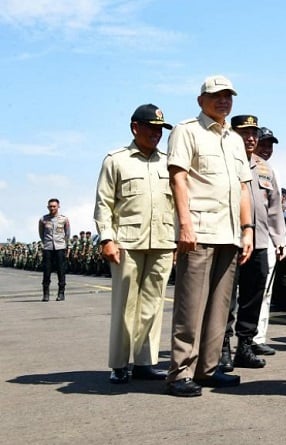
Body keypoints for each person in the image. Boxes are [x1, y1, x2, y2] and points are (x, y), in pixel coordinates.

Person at [165, 75, 254, 397]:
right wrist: (184, 224)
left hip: (229, 233)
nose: (223, 101)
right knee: (190, 307)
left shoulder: (233, 139)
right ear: (201, 100)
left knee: (219, 307)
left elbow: (243, 187)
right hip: (199, 230)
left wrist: (247, 230)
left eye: (228, 96)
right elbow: (178, 178)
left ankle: (207, 368)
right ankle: (179, 373)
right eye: (216, 96)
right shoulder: (186, 131)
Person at [94, 103, 176, 384]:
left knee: (153, 305)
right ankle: (119, 364)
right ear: (135, 127)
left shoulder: (168, 161)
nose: (156, 134)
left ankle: (145, 362)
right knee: (125, 305)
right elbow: (104, 203)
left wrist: (176, 242)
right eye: (151, 128)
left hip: (163, 242)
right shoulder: (115, 160)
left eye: (160, 130)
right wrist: (106, 238)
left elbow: (177, 204)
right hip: (126, 242)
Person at [219, 115, 286, 371]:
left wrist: (279, 239)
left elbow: (275, 207)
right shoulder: (225, 161)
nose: (250, 138)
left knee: (253, 294)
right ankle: (223, 345)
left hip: (259, 241)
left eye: (253, 134)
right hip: (230, 239)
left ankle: (244, 345)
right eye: (244, 133)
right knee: (226, 297)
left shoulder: (264, 168)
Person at [250, 126, 284, 356]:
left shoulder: (270, 171)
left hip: (267, 240)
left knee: (265, 291)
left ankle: (257, 337)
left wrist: (279, 240)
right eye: (263, 144)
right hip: (243, 239)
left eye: (270, 145)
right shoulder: (240, 165)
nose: (266, 149)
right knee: (240, 294)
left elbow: (275, 209)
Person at [38, 198, 70, 301]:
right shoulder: (43, 219)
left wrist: (64, 244)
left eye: (54, 206)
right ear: (48, 207)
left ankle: (61, 293)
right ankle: (46, 294)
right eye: (50, 206)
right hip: (48, 247)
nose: (52, 208)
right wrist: (46, 242)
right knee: (46, 271)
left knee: (61, 270)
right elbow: (41, 233)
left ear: (58, 206)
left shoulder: (64, 219)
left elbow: (67, 233)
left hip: (60, 247)